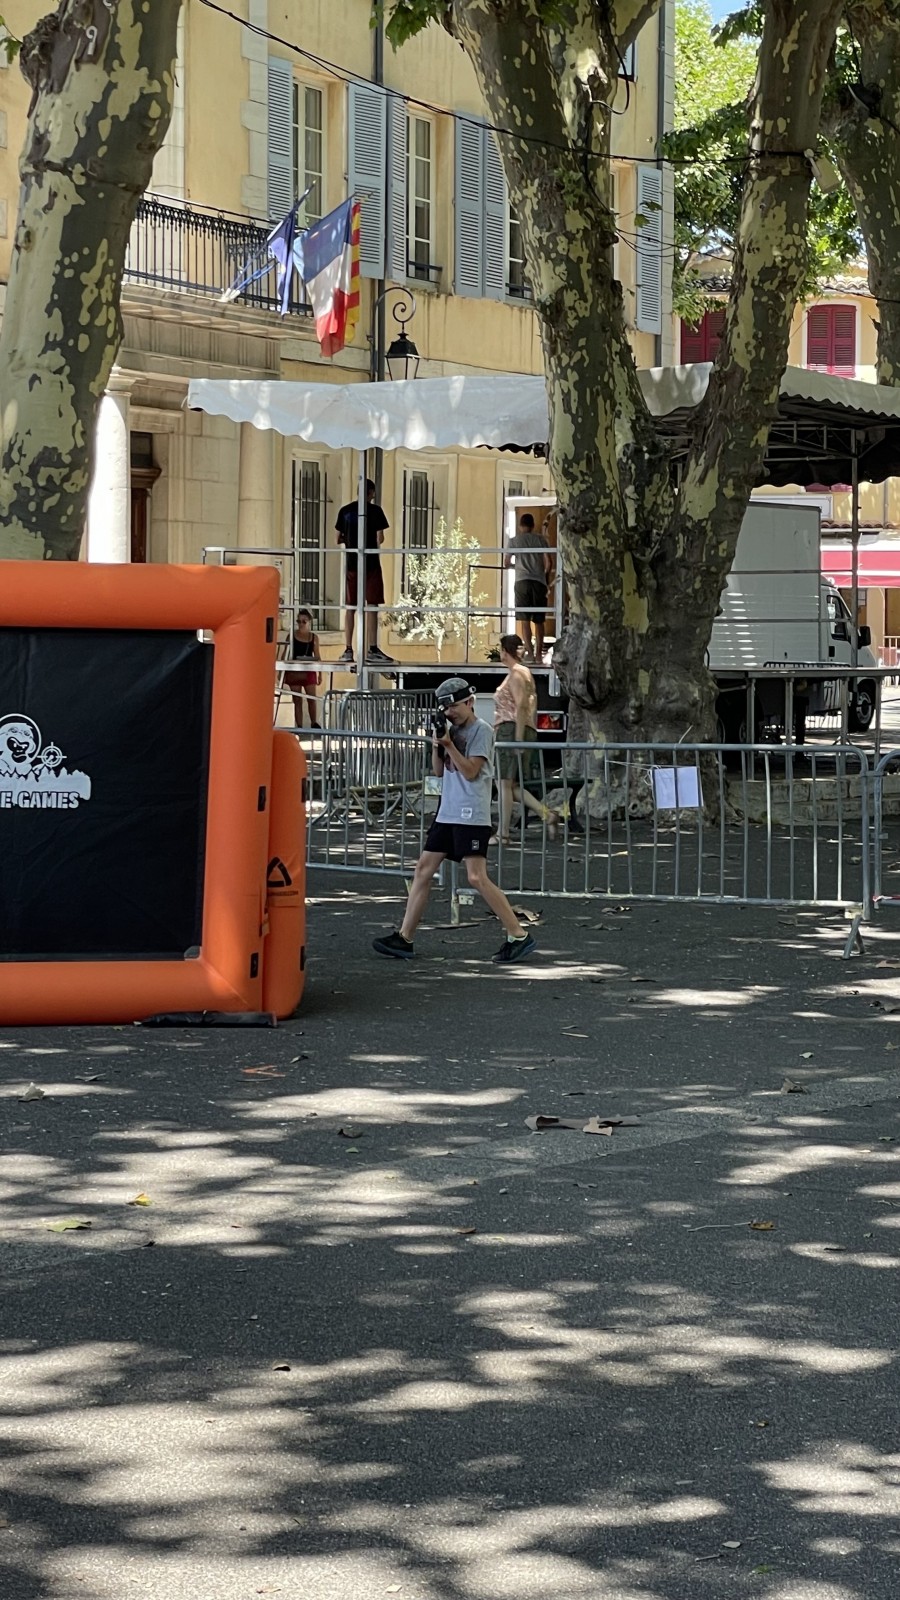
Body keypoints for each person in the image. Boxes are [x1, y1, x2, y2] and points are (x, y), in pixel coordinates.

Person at [373, 677, 537, 964]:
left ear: (470, 702)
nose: (451, 714)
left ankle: (518, 935)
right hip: (447, 811)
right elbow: (439, 772)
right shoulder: (449, 730)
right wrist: (438, 744)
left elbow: (471, 771)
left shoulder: (481, 731)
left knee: (476, 877)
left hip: (470, 813)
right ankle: (404, 938)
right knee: (423, 869)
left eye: (455, 707)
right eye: (446, 709)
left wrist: (449, 744)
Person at [492, 634, 561, 844]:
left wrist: (519, 738)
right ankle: (547, 814)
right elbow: (531, 703)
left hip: (511, 729)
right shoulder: (523, 672)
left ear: (505, 650)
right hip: (520, 728)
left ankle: (502, 834)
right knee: (511, 784)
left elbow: (521, 704)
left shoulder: (516, 674)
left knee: (503, 782)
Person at [336, 479, 395, 665]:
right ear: (371, 493)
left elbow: (337, 538)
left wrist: (351, 540)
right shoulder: (376, 511)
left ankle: (348, 649)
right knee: (372, 606)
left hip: (352, 564)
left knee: (351, 607)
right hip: (371, 564)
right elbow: (380, 537)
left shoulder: (345, 511)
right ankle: (372, 648)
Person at [505, 512, 552, 662]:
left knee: (524, 620)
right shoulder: (540, 540)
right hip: (538, 582)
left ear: (520, 526)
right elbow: (549, 563)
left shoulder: (514, 541)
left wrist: (516, 566)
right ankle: (539, 655)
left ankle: (530, 654)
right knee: (539, 620)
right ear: (532, 526)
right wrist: (545, 578)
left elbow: (506, 563)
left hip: (521, 582)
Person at [283, 608, 322, 729]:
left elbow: (317, 655)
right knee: (297, 700)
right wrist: (282, 672)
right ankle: (299, 726)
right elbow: (285, 654)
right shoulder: (291, 636)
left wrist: (320, 673)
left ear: (310, 622)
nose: (300, 624)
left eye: (304, 621)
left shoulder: (313, 638)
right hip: (294, 671)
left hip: (309, 670)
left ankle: (313, 723)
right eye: (298, 621)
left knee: (312, 698)